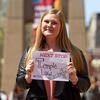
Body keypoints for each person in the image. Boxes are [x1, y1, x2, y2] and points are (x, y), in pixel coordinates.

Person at [16, 8, 90, 100]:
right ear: (41, 24)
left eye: (54, 23)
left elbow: (86, 85)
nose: (49, 25)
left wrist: (75, 79)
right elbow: (19, 83)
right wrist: (28, 77)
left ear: (61, 27)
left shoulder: (75, 53)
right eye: (46, 21)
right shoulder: (30, 51)